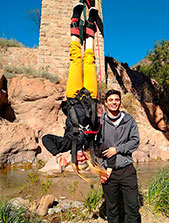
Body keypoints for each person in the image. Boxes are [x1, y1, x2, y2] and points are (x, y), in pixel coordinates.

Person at [42, 3, 103, 171]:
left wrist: (57, 154)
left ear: (73, 158)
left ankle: (75, 21)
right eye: (85, 160)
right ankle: (90, 26)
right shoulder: (93, 146)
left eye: (79, 160)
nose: (82, 157)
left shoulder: (66, 144)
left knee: (76, 59)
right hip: (91, 97)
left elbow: (46, 138)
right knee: (90, 60)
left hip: (74, 96)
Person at [98, 89, 141, 223]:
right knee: (112, 209)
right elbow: (96, 147)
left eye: (116, 100)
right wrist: (101, 170)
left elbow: (135, 141)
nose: (114, 102)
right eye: (110, 100)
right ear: (106, 103)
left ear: (120, 102)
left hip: (127, 169)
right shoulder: (100, 122)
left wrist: (117, 149)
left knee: (133, 208)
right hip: (108, 172)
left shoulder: (129, 120)